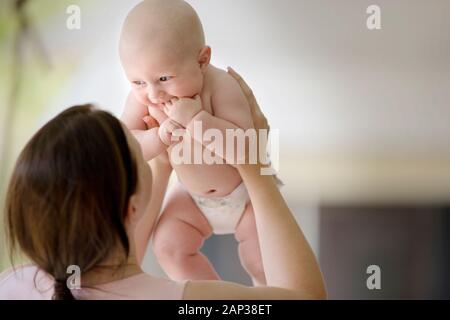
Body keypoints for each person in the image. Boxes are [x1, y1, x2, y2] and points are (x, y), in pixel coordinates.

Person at [0, 68, 326, 300]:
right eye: (136, 146)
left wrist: (162, 162)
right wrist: (256, 169)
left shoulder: (15, 286)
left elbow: (113, 271)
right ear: (132, 207)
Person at [120, 0, 272, 286]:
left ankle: (261, 293)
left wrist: (198, 120)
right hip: (193, 198)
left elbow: (245, 147)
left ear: (202, 60)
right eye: (137, 82)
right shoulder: (143, 101)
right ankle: (215, 297)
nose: (153, 93)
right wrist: (157, 137)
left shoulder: (222, 86)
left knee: (261, 258)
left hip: (245, 194)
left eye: (164, 78)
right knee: (168, 246)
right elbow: (126, 145)